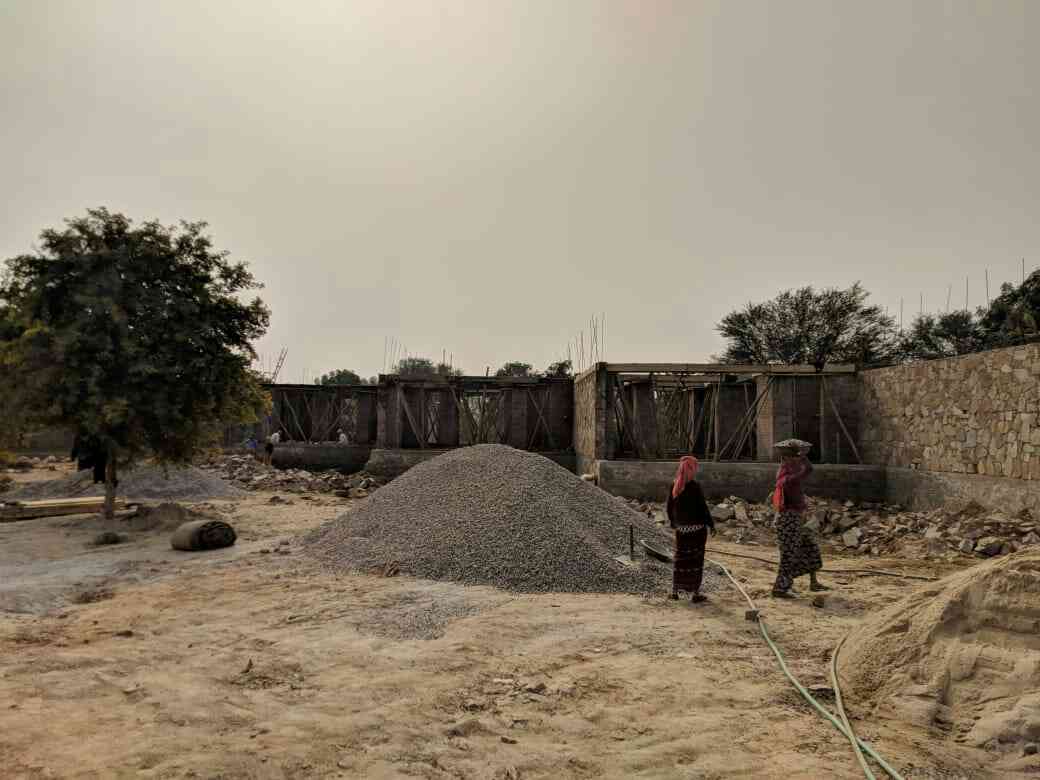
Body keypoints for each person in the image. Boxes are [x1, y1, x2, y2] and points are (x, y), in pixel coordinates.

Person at [771, 445, 827, 598]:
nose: (797, 461)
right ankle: (780, 588)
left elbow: (808, 469)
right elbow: (805, 471)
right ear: (787, 459)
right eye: (794, 458)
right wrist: (802, 458)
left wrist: (803, 456)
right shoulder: (786, 479)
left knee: (810, 547)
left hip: (795, 519)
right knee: (788, 555)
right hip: (787, 521)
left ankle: (813, 582)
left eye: (797, 458)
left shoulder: (790, 474)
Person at [665, 455, 715, 603]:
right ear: (691, 469)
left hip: (681, 531)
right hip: (697, 531)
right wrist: (711, 524)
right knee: (696, 560)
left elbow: (669, 507)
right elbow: (703, 508)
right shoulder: (695, 487)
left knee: (680, 559)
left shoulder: (675, 485)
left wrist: (674, 523)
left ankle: (675, 591)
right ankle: (695, 593)